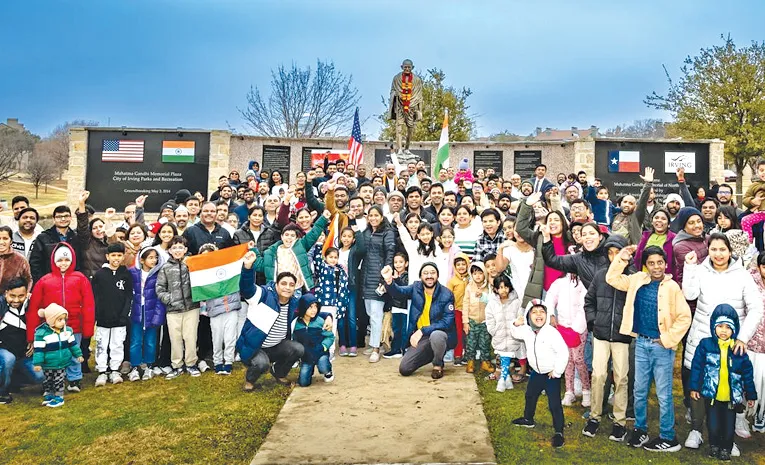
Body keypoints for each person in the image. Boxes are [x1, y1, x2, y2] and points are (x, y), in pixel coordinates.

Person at [681, 233, 763, 449]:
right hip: (702, 339)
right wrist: (689, 268)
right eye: (714, 249)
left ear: (730, 251)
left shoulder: (742, 275)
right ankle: (696, 429)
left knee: (729, 386)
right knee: (699, 382)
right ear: (708, 250)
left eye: (722, 249)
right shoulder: (700, 270)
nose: (718, 254)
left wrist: (743, 337)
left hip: (730, 342)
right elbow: (689, 294)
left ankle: (728, 437)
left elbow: (755, 308)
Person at [606, 245, 691, 453]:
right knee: (639, 390)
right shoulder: (637, 280)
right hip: (641, 344)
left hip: (661, 347)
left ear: (665, 263)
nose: (656, 267)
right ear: (645, 265)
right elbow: (612, 278)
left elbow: (684, 317)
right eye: (651, 263)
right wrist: (622, 258)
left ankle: (668, 436)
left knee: (664, 394)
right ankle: (640, 429)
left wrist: (667, 339)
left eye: (660, 262)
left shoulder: (672, 288)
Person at [583, 234, 635, 440]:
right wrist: (593, 321)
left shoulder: (632, 278)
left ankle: (619, 421)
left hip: (622, 336)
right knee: (598, 375)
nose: (614, 257)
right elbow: (589, 301)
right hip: (601, 334)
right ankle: (595, 417)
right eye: (610, 253)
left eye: (618, 253)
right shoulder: (600, 276)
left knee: (621, 378)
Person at [690, 304, 757, 461]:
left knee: (728, 426)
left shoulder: (738, 350)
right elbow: (697, 367)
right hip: (712, 396)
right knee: (712, 424)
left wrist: (751, 394)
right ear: (713, 326)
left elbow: (747, 374)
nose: (724, 330)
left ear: (734, 329)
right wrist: (695, 387)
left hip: (730, 399)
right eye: (720, 326)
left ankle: (726, 448)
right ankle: (714, 445)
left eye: (728, 327)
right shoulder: (705, 345)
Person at [27, 243, 94, 394]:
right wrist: (32, 334)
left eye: (66, 260)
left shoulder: (80, 278)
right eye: (60, 260)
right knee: (51, 354)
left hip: (74, 326)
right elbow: (34, 308)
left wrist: (88, 328)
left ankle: (74, 378)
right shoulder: (45, 281)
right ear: (53, 261)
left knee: (73, 352)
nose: (63, 263)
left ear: (72, 260)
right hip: (50, 328)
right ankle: (50, 381)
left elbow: (89, 304)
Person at [381, 262, 457, 379]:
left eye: (432, 273)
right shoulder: (416, 288)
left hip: (442, 334)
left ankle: (438, 365)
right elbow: (399, 293)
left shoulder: (446, 294)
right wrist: (389, 281)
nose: (429, 276)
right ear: (421, 276)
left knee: (436, 336)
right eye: (425, 273)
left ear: (437, 275)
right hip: (423, 338)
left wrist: (422, 330)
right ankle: (433, 351)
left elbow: (447, 322)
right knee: (405, 369)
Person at [510, 299, 569, 448]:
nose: (538, 315)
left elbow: (563, 353)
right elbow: (515, 333)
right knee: (530, 395)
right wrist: (515, 323)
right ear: (528, 315)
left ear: (547, 314)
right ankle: (528, 419)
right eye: (534, 312)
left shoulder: (552, 333)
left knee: (554, 403)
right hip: (536, 372)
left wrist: (556, 372)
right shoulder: (527, 330)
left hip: (550, 374)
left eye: (542, 311)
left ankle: (558, 432)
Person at [156, 236, 201, 379]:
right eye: (174, 247)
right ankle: (177, 365)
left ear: (186, 249)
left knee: (190, 337)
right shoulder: (165, 268)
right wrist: (169, 299)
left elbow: (201, 280)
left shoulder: (192, 264)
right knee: (175, 338)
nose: (177, 250)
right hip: (173, 310)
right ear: (169, 250)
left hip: (191, 307)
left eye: (180, 247)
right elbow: (160, 288)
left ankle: (191, 363)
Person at [357, 206, 396, 363]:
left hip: (379, 278)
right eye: (370, 215)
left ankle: (375, 349)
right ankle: (375, 342)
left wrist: (386, 274)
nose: (373, 218)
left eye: (376, 215)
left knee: (376, 315)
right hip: (365, 278)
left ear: (381, 217)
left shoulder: (387, 232)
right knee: (369, 312)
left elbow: (390, 253)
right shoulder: (366, 232)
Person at [546, 272, 590, 408]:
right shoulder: (560, 282)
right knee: (567, 360)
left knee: (578, 359)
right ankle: (569, 391)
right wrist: (551, 314)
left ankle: (586, 390)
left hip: (578, 328)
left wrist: (576, 328)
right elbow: (550, 297)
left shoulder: (584, 282)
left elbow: (585, 305)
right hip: (563, 327)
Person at [92, 243, 133, 387]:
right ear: (107, 256)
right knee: (102, 345)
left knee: (117, 344)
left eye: (119, 255)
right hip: (103, 318)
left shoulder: (126, 274)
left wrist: (124, 314)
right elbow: (95, 297)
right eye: (113, 255)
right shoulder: (100, 275)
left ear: (123, 256)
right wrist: (98, 314)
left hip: (120, 319)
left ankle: (115, 369)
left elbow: (129, 296)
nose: (116, 258)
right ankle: (103, 371)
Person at [198, 244, 241, 375]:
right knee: (216, 337)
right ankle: (217, 361)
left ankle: (228, 361)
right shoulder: (202, 274)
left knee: (230, 337)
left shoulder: (227, 267)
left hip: (231, 307)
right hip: (215, 310)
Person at [0, 278, 44, 404]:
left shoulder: (31, 305)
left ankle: (13, 381)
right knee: (8, 359)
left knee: (39, 376)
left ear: (27, 294)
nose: (16, 300)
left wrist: (36, 341)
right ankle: (2, 392)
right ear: (6, 293)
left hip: (24, 355)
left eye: (21, 296)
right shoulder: (1, 306)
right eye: (12, 296)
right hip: (4, 352)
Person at [33, 304, 84, 408]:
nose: (63, 322)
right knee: (48, 380)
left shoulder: (67, 331)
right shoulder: (41, 333)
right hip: (48, 363)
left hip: (61, 363)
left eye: (64, 319)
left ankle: (59, 397)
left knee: (59, 380)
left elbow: (73, 345)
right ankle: (50, 395)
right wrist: (38, 363)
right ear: (51, 320)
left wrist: (78, 355)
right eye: (60, 319)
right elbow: (38, 350)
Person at [127, 247, 165, 382]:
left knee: (150, 341)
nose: (154, 260)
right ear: (142, 259)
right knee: (135, 341)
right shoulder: (132, 273)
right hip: (137, 311)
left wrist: (158, 315)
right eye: (150, 257)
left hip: (152, 311)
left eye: (155, 257)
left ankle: (149, 365)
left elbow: (160, 298)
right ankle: (135, 367)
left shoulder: (159, 274)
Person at [485, 274, 523, 392]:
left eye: (506, 287)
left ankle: (503, 379)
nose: (503, 290)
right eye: (500, 287)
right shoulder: (492, 304)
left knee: (506, 358)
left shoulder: (516, 302)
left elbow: (520, 317)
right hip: (499, 337)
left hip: (512, 338)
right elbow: (489, 320)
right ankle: (505, 379)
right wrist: (494, 331)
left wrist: (515, 326)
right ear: (496, 289)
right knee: (503, 357)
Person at [312, 246, 348, 357]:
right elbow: (317, 260)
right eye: (330, 257)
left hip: (335, 304)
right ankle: (319, 349)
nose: (333, 259)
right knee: (320, 327)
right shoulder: (323, 268)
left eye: (335, 257)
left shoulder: (341, 270)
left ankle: (330, 350)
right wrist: (318, 245)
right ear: (326, 257)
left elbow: (344, 289)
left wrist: (342, 305)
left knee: (332, 328)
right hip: (323, 303)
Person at [293, 294, 335, 387]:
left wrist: (324, 346)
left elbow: (330, 337)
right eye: (310, 307)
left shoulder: (320, 321)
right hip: (306, 356)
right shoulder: (296, 324)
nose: (314, 310)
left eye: (316, 306)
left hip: (320, 352)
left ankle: (328, 370)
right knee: (303, 383)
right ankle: (309, 370)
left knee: (323, 365)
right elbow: (294, 339)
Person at [29, 205, 77, 283]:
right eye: (59, 217)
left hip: (72, 282)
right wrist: (43, 282)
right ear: (53, 219)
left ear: (71, 218)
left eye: (66, 216)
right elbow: (35, 264)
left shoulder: (76, 237)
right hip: (49, 282)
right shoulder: (43, 238)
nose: (63, 219)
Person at [461, 262, 492, 374]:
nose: (478, 276)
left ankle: (485, 362)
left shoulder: (488, 288)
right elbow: (465, 304)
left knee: (485, 342)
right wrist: (465, 322)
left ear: (484, 274)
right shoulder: (469, 288)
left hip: (485, 321)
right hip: (472, 320)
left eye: (480, 273)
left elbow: (492, 303)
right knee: (471, 343)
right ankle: (470, 362)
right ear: (471, 275)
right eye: (475, 273)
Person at [0, 226, 31, 291]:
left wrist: (26, 294)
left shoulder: (20, 260)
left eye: (5, 238)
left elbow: (28, 280)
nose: (1, 242)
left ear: (11, 241)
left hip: (11, 298)